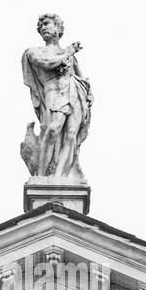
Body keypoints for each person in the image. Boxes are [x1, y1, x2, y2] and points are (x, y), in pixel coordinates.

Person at [21, 14, 93, 178]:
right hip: (53, 91)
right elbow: (47, 64)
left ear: (59, 28)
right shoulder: (34, 51)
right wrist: (68, 52)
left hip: (74, 92)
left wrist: (88, 92)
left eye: (47, 24)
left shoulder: (69, 55)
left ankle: (59, 176)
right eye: (41, 26)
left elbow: (80, 76)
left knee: (71, 135)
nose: (44, 28)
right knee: (53, 129)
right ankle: (41, 175)